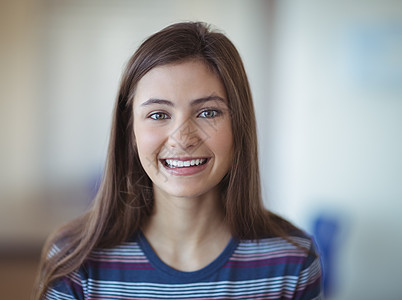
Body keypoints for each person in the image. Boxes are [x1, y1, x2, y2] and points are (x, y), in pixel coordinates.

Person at [34, 21, 323, 299]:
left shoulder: (292, 261)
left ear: (239, 125)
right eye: (158, 115)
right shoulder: (76, 261)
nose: (182, 138)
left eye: (208, 112)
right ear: (130, 132)